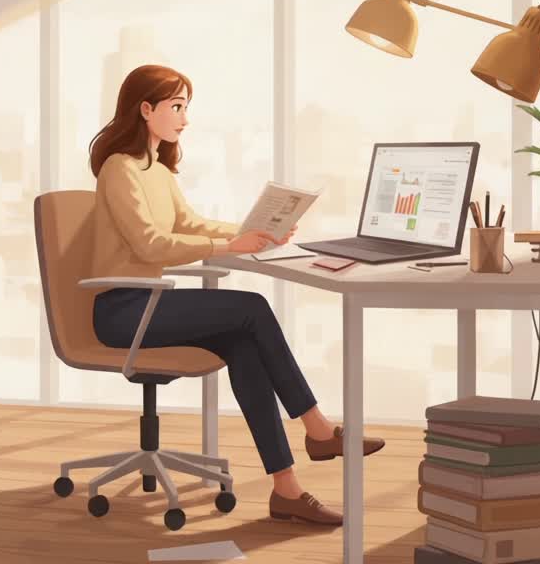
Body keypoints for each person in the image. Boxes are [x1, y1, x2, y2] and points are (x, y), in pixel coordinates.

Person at [87, 64, 385, 526]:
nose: (185, 118)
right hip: (122, 310)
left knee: (245, 343)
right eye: (176, 107)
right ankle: (318, 429)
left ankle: (286, 490)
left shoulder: (158, 171)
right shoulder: (119, 169)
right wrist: (230, 247)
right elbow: (149, 244)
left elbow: (188, 224)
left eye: (186, 107)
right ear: (145, 109)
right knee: (252, 308)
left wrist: (255, 233)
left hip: (150, 303)